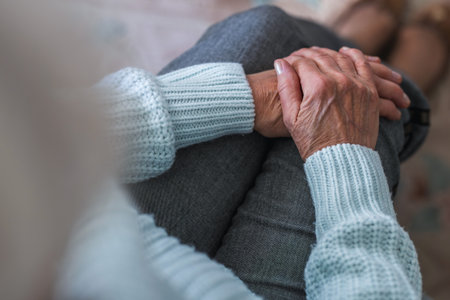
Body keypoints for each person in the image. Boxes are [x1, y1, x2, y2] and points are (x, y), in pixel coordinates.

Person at [54, 2, 442, 299]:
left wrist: (245, 98)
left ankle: (348, 46)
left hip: (108, 227)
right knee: (369, 111)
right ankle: (398, 73)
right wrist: (343, 154)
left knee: (266, 32)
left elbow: (35, 144)